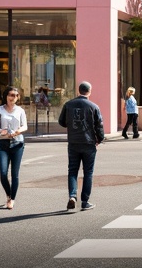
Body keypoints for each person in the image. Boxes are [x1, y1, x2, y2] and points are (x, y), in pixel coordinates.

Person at [58, 81, 104, 211]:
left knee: (72, 170)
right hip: (88, 142)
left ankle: (72, 196)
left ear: (79, 90)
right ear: (89, 91)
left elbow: (61, 122)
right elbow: (99, 125)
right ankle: (85, 201)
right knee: (88, 172)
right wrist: (99, 139)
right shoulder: (93, 106)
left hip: (73, 142)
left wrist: (72, 126)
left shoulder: (68, 104)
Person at [0, 85, 27, 209]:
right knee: (3, 173)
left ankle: (12, 199)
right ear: (6, 96)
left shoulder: (20, 111)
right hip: (4, 144)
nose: (14, 97)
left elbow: (24, 126)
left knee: (15, 174)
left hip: (18, 143)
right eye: (11, 95)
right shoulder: (0, 110)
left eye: (16, 95)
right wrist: (3, 132)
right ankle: (8, 194)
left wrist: (18, 132)